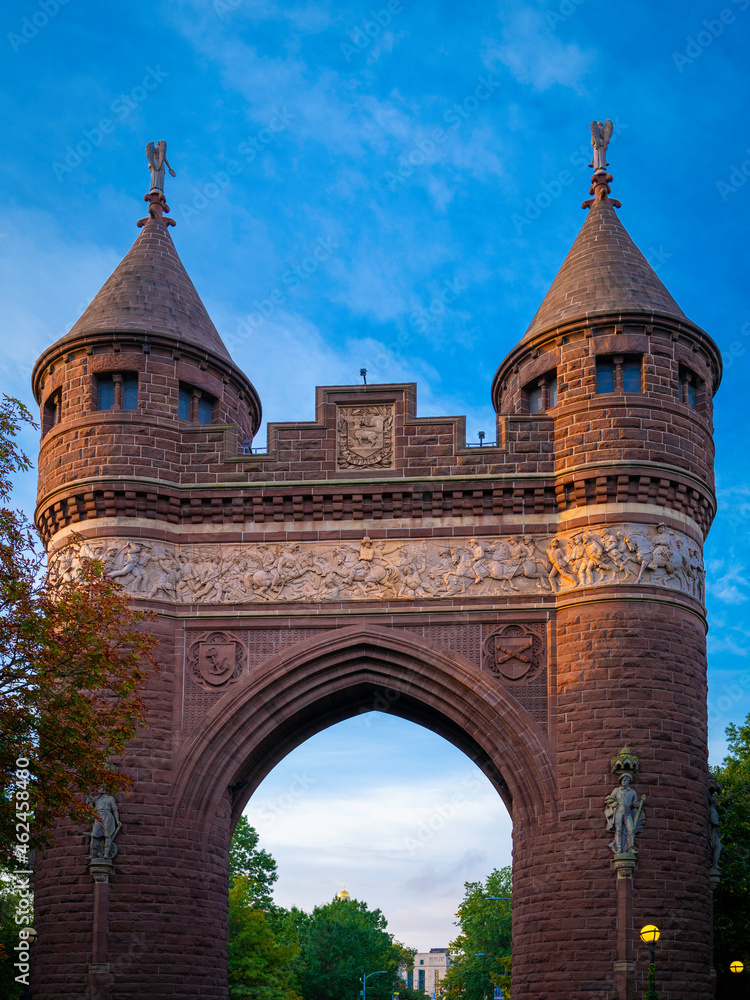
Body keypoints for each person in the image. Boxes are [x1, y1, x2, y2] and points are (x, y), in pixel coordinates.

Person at [604, 773, 643, 855]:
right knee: (618, 830)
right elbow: (610, 799)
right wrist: (612, 804)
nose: (624, 781)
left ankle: (631, 848)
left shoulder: (632, 792)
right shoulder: (616, 790)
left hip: (628, 812)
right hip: (619, 811)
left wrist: (640, 803)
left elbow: (634, 804)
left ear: (628, 781)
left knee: (631, 829)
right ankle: (619, 848)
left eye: (626, 780)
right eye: (623, 780)